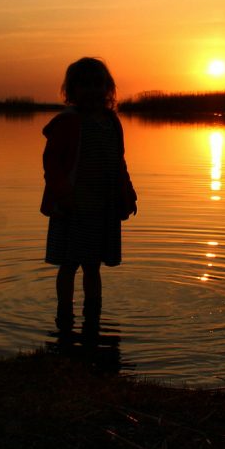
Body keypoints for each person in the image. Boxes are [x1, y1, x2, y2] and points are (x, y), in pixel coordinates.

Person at [41, 57, 137, 329]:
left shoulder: (111, 122)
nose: (92, 90)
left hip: (101, 208)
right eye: (84, 85)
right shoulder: (68, 123)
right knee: (69, 264)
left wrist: (127, 193)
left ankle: (93, 314)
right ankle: (65, 317)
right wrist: (63, 194)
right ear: (71, 92)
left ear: (108, 89)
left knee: (93, 266)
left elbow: (118, 162)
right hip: (72, 207)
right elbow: (52, 164)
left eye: (98, 84)